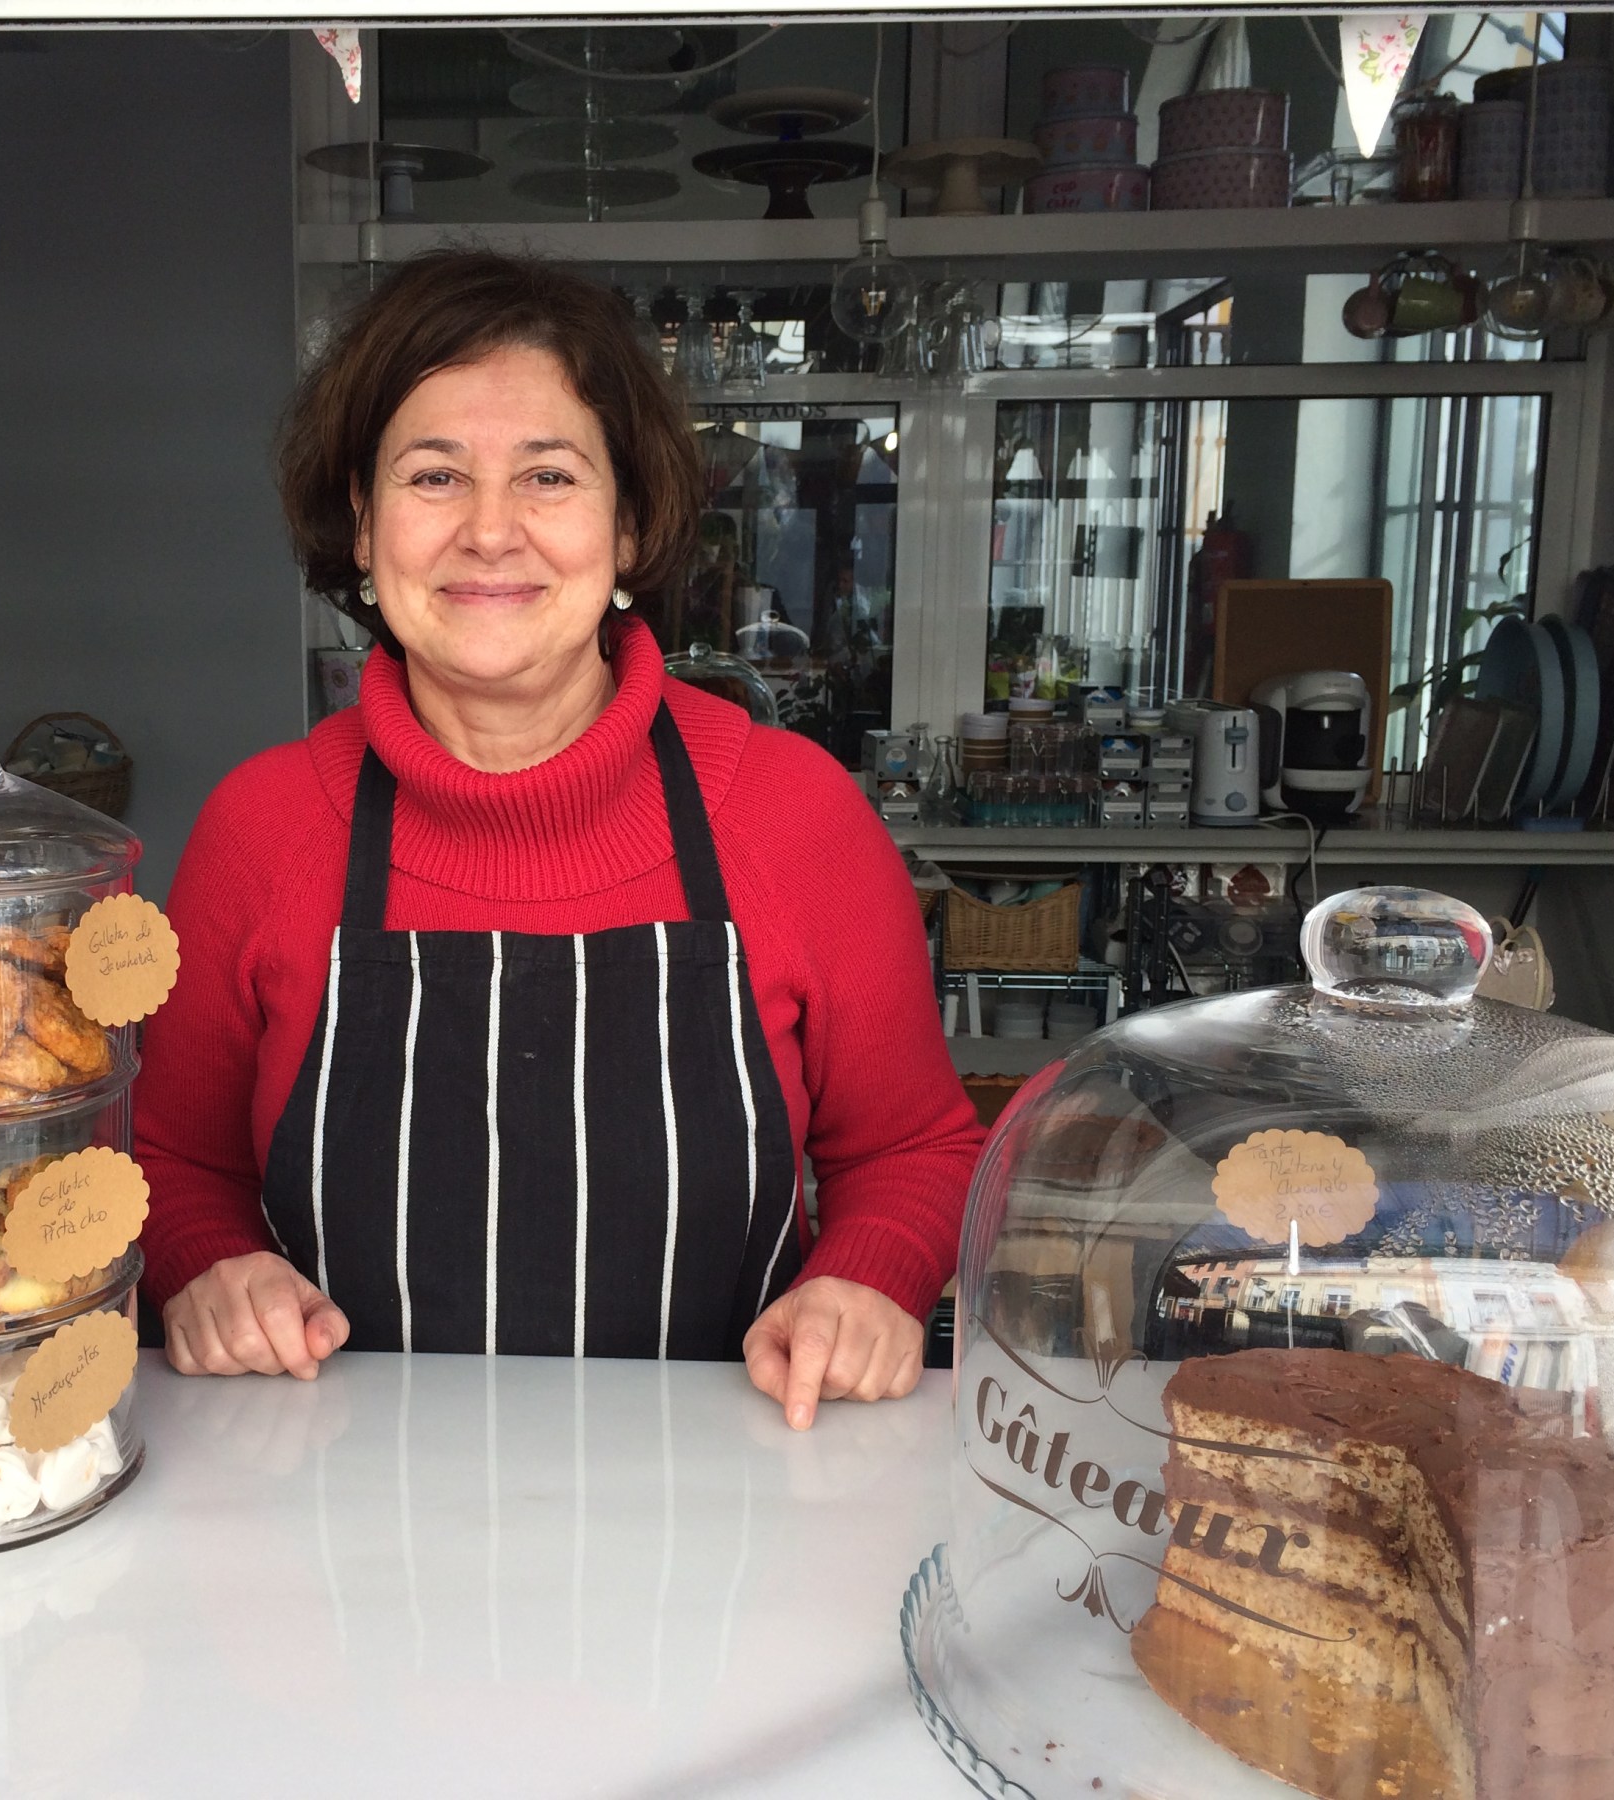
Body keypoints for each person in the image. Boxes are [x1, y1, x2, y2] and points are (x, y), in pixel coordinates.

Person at [136, 251, 983, 1428]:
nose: (491, 533)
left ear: (629, 525)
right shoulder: (262, 826)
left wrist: (864, 1279)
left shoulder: (792, 812)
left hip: (731, 1511)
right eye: (434, 477)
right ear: (362, 526)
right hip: (330, 1523)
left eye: (548, 475)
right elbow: (177, 1163)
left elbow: (915, 1147)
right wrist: (206, 1268)